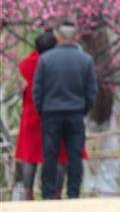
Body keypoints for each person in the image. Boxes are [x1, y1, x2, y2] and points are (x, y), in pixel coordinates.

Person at [33, 22, 98, 200]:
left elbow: (37, 90)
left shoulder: (45, 59)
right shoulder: (86, 60)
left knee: (50, 155)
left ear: (58, 38)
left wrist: (42, 109)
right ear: (76, 37)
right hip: (75, 112)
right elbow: (91, 91)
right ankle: (73, 193)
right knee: (75, 155)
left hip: (51, 113)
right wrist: (83, 109)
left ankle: (48, 194)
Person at [15, 30, 68, 200]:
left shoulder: (28, 64)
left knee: (29, 156)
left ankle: (28, 193)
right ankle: (56, 194)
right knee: (59, 155)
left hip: (32, 114)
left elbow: (25, 65)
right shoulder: (58, 63)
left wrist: (36, 51)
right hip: (56, 112)